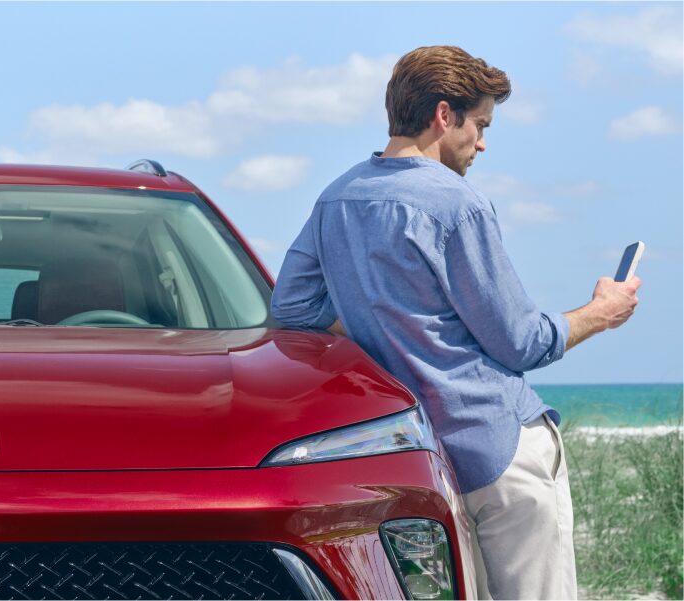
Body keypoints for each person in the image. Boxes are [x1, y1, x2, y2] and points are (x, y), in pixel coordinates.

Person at [270, 45, 641, 600]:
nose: (482, 143)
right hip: (497, 448)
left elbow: (292, 308)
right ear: (444, 115)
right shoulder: (456, 203)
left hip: (416, 457)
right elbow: (521, 342)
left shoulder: (336, 199)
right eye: (481, 125)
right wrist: (601, 313)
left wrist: (381, 317)